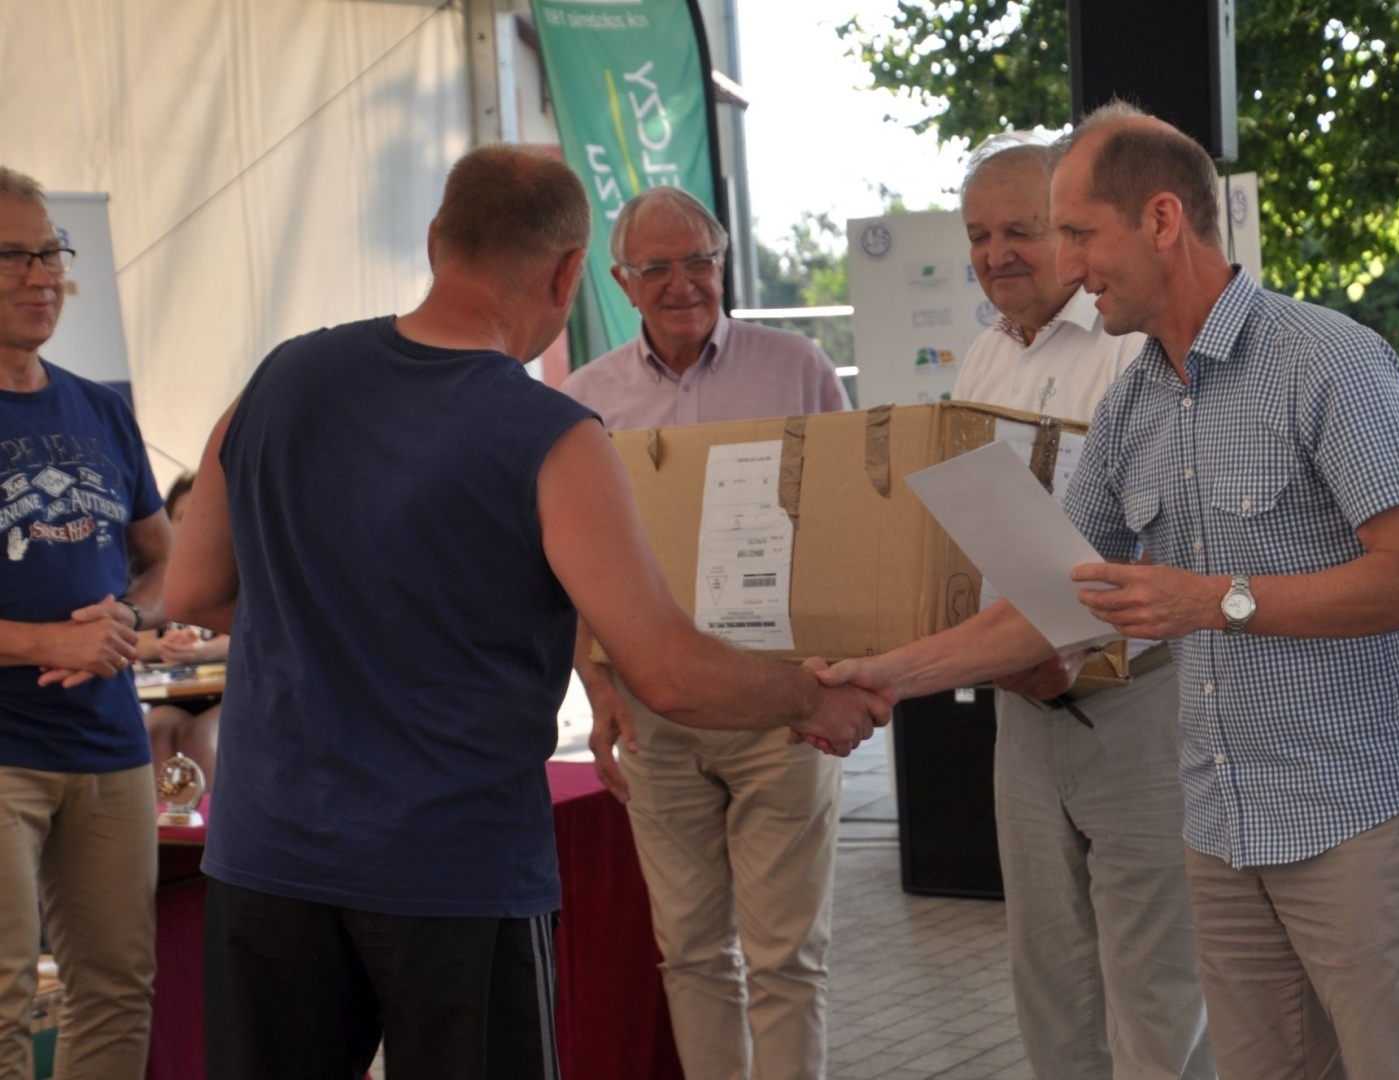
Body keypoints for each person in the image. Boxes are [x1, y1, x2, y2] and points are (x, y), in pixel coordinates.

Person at [165, 146, 887, 1080]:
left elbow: (190, 594)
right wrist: (809, 698)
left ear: (436, 242)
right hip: (451, 865)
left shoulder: (278, 380)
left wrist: (334, 626)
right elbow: (666, 669)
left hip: (267, 853)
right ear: (570, 272)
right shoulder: (549, 432)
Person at [817, 102, 1399, 1079]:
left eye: (1079, 233)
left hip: (1358, 822)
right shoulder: (1134, 401)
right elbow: (1057, 599)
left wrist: (1217, 602)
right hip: (1219, 832)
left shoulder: (1327, 359)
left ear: (1162, 220)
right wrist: (882, 676)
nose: (1070, 264)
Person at [561, 186, 851, 1080]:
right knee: (688, 953)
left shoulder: (796, 366)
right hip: (654, 713)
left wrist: (838, 680)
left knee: (785, 957)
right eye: (658, 268)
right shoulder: (582, 399)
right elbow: (567, 569)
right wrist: (600, 693)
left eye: (701, 260)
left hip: (775, 701)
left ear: (722, 263)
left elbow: (848, 525)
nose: (684, 283)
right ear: (620, 281)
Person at [948, 134, 1211, 1079]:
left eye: (1021, 229)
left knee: (1156, 991)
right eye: (978, 234)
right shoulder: (980, 357)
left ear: (1068, 233)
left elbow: (1161, 545)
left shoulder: (1132, 347)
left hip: (1137, 701)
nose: (996, 253)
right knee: (1047, 982)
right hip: (1021, 705)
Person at [0, 165, 171, 1078]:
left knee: (116, 990)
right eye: (15, 255)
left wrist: (127, 617)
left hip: (108, 746)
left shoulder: (99, 406)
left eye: (51, 253)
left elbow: (165, 552)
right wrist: (40, 642)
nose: (43, 276)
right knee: (4, 1002)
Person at [138, 473, 227, 786]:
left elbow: (244, 636)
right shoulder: (157, 574)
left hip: (222, 694)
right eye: (182, 517)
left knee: (200, 735)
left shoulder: (232, 568)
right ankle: (169, 829)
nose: (192, 526)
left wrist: (202, 650)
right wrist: (165, 647)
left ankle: (209, 829)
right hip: (170, 695)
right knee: (155, 732)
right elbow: (139, 641)